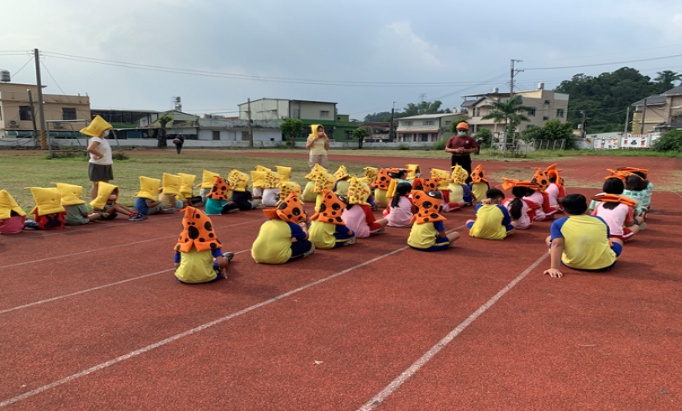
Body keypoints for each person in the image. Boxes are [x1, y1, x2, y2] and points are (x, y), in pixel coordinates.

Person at [544, 194, 623, 278]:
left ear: (564, 210)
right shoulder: (600, 220)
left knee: (549, 239)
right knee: (617, 240)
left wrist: (554, 268)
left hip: (574, 264)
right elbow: (606, 238)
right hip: (605, 265)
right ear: (586, 207)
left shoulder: (558, 223)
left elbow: (557, 244)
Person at [174, 206, 234, 283]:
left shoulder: (182, 243)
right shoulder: (211, 242)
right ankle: (226, 258)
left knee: (181, 267)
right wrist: (223, 268)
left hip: (183, 278)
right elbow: (221, 263)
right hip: (208, 277)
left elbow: (176, 264)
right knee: (217, 263)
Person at [251, 192, 315, 264]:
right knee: (309, 244)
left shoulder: (266, 223)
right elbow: (305, 237)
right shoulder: (293, 227)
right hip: (277, 257)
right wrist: (304, 226)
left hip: (256, 255)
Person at [590, 178, 644, 242]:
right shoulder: (627, 204)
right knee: (636, 227)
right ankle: (621, 238)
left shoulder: (600, 203)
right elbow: (629, 224)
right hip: (616, 236)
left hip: (599, 234)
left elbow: (592, 217)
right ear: (622, 188)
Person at [82, 115, 114, 200]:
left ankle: (102, 202)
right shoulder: (96, 139)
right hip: (97, 165)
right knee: (96, 185)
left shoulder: (103, 139)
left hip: (106, 164)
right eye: (105, 129)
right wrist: (100, 155)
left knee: (105, 185)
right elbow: (90, 148)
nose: (107, 131)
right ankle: (95, 204)